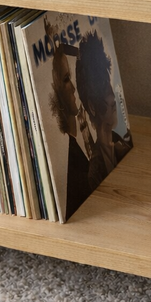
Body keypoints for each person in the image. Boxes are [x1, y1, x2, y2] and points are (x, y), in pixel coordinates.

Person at [75, 31, 132, 191]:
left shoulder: (122, 146)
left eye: (108, 82)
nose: (112, 95)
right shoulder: (94, 172)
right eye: (102, 88)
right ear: (92, 107)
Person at [48, 42, 91, 219]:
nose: (73, 88)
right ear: (55, 90)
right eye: (66, 79)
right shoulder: (67, 155)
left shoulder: (75, 143)